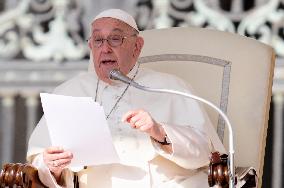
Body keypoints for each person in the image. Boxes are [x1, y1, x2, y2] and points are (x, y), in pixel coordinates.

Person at [27, 9, 225, 188]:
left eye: (115, 39)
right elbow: (38, 166)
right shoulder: (68, 91)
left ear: (137, 46)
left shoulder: (171, 87)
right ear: (90, 46)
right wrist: (51, 166)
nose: (105, 49)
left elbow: (205, 155)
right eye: (98, 40)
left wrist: (160, 132)